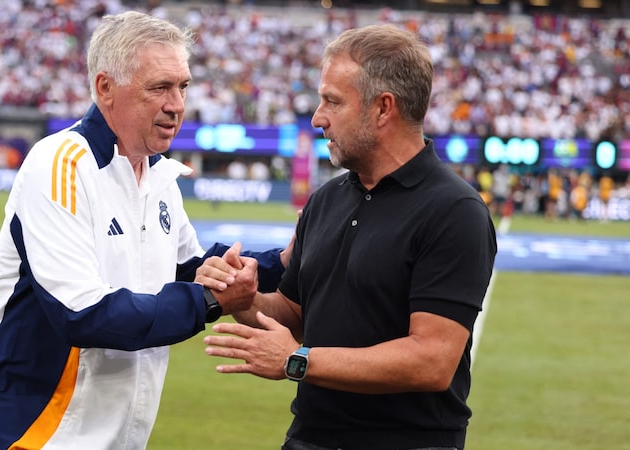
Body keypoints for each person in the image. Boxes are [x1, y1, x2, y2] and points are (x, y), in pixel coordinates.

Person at [0, 11, 291, 450]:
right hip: (32, 435)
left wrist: (285, 261)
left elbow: (193, 268)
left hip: (113, 437)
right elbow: (83, 314)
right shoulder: (62, 165)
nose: (176, 104)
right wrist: (211, 301)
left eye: (182, 86)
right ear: (105, 88)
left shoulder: (157, 174)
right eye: (159, 88)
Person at [203, 24, 497, 450]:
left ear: (383, 108)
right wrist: (244, 300)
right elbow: (296, 315)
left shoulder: (454, 211)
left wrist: (296, 362)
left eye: (332, 101)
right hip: (310, 437)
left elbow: (431, 360)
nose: (317, 117)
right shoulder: (326, 200)